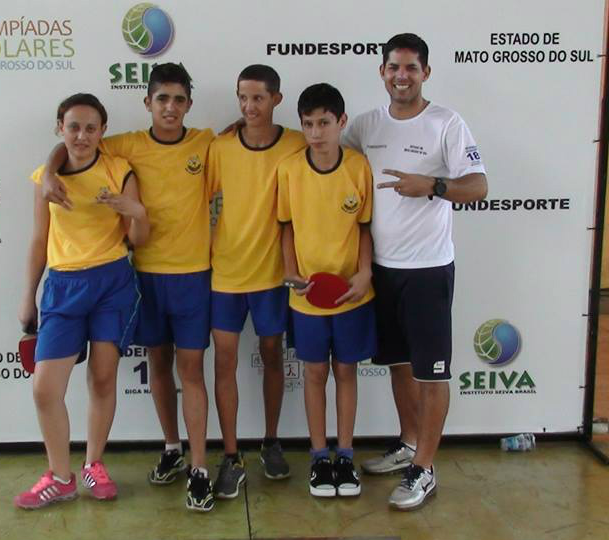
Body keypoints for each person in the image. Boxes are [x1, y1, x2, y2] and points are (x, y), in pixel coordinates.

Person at [40, 64, 218, 512]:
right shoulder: (124, 146)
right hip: (141, 277)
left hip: (194, 275)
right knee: (159, 367)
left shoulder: (206, 142)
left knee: (191, 372)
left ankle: (200, 467)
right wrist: (47, 173)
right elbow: (71, 146)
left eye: (179, 100)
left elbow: (244, 145)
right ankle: (172, 449)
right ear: (148, 103)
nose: (171, 108)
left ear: (189, 105)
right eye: (162, 99)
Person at [343, 33, 488, 510]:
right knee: (400, 365)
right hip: (383, 271)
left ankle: (424, 467)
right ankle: (408, 442)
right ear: (382, 72)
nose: (401, 76)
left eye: (410, 68)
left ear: (425, 72)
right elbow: (321, 152)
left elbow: (479, 187)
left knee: (431, 373)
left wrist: (433, 184)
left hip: (427, 270)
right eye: (393, 68)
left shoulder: (446, 123)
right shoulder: (366, 124)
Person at [15, 93, 149, 509]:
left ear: (103, 132)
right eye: (73, 126)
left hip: (112, 284)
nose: (82, 135)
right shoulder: (46, 179)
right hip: (61, 288)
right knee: (44, 390)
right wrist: (28, 297)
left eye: (91, 127)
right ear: (60, 128)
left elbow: (138, 240)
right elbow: (39, 241)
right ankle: (59, 476)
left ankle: (94, 464)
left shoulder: (119, 169)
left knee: (103, 379)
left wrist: (136, 211)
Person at [206, 64, 305, 498]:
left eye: (258, 98)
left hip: (271, 277)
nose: (249, 106)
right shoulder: (221, 147)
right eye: (242, 98)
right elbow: (192, 196)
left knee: (271, 354)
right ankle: (230, 456)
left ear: (276, 100)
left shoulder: (299, 145)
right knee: (224, 362)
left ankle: (270, 441)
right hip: (224, 274)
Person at [278, 83, 376, 498]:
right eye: (308, 124)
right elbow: (285, 226)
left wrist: (365, 272)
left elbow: (366, 227)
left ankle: (346, 457)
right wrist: (290, 270)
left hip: (353, 295)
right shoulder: (288, 169)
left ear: (341, 123)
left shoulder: (358, 167)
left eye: (324, 123)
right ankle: (320, 459)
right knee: (314, 374)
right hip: (307, 297)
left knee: (346, 373)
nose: (316, 132)